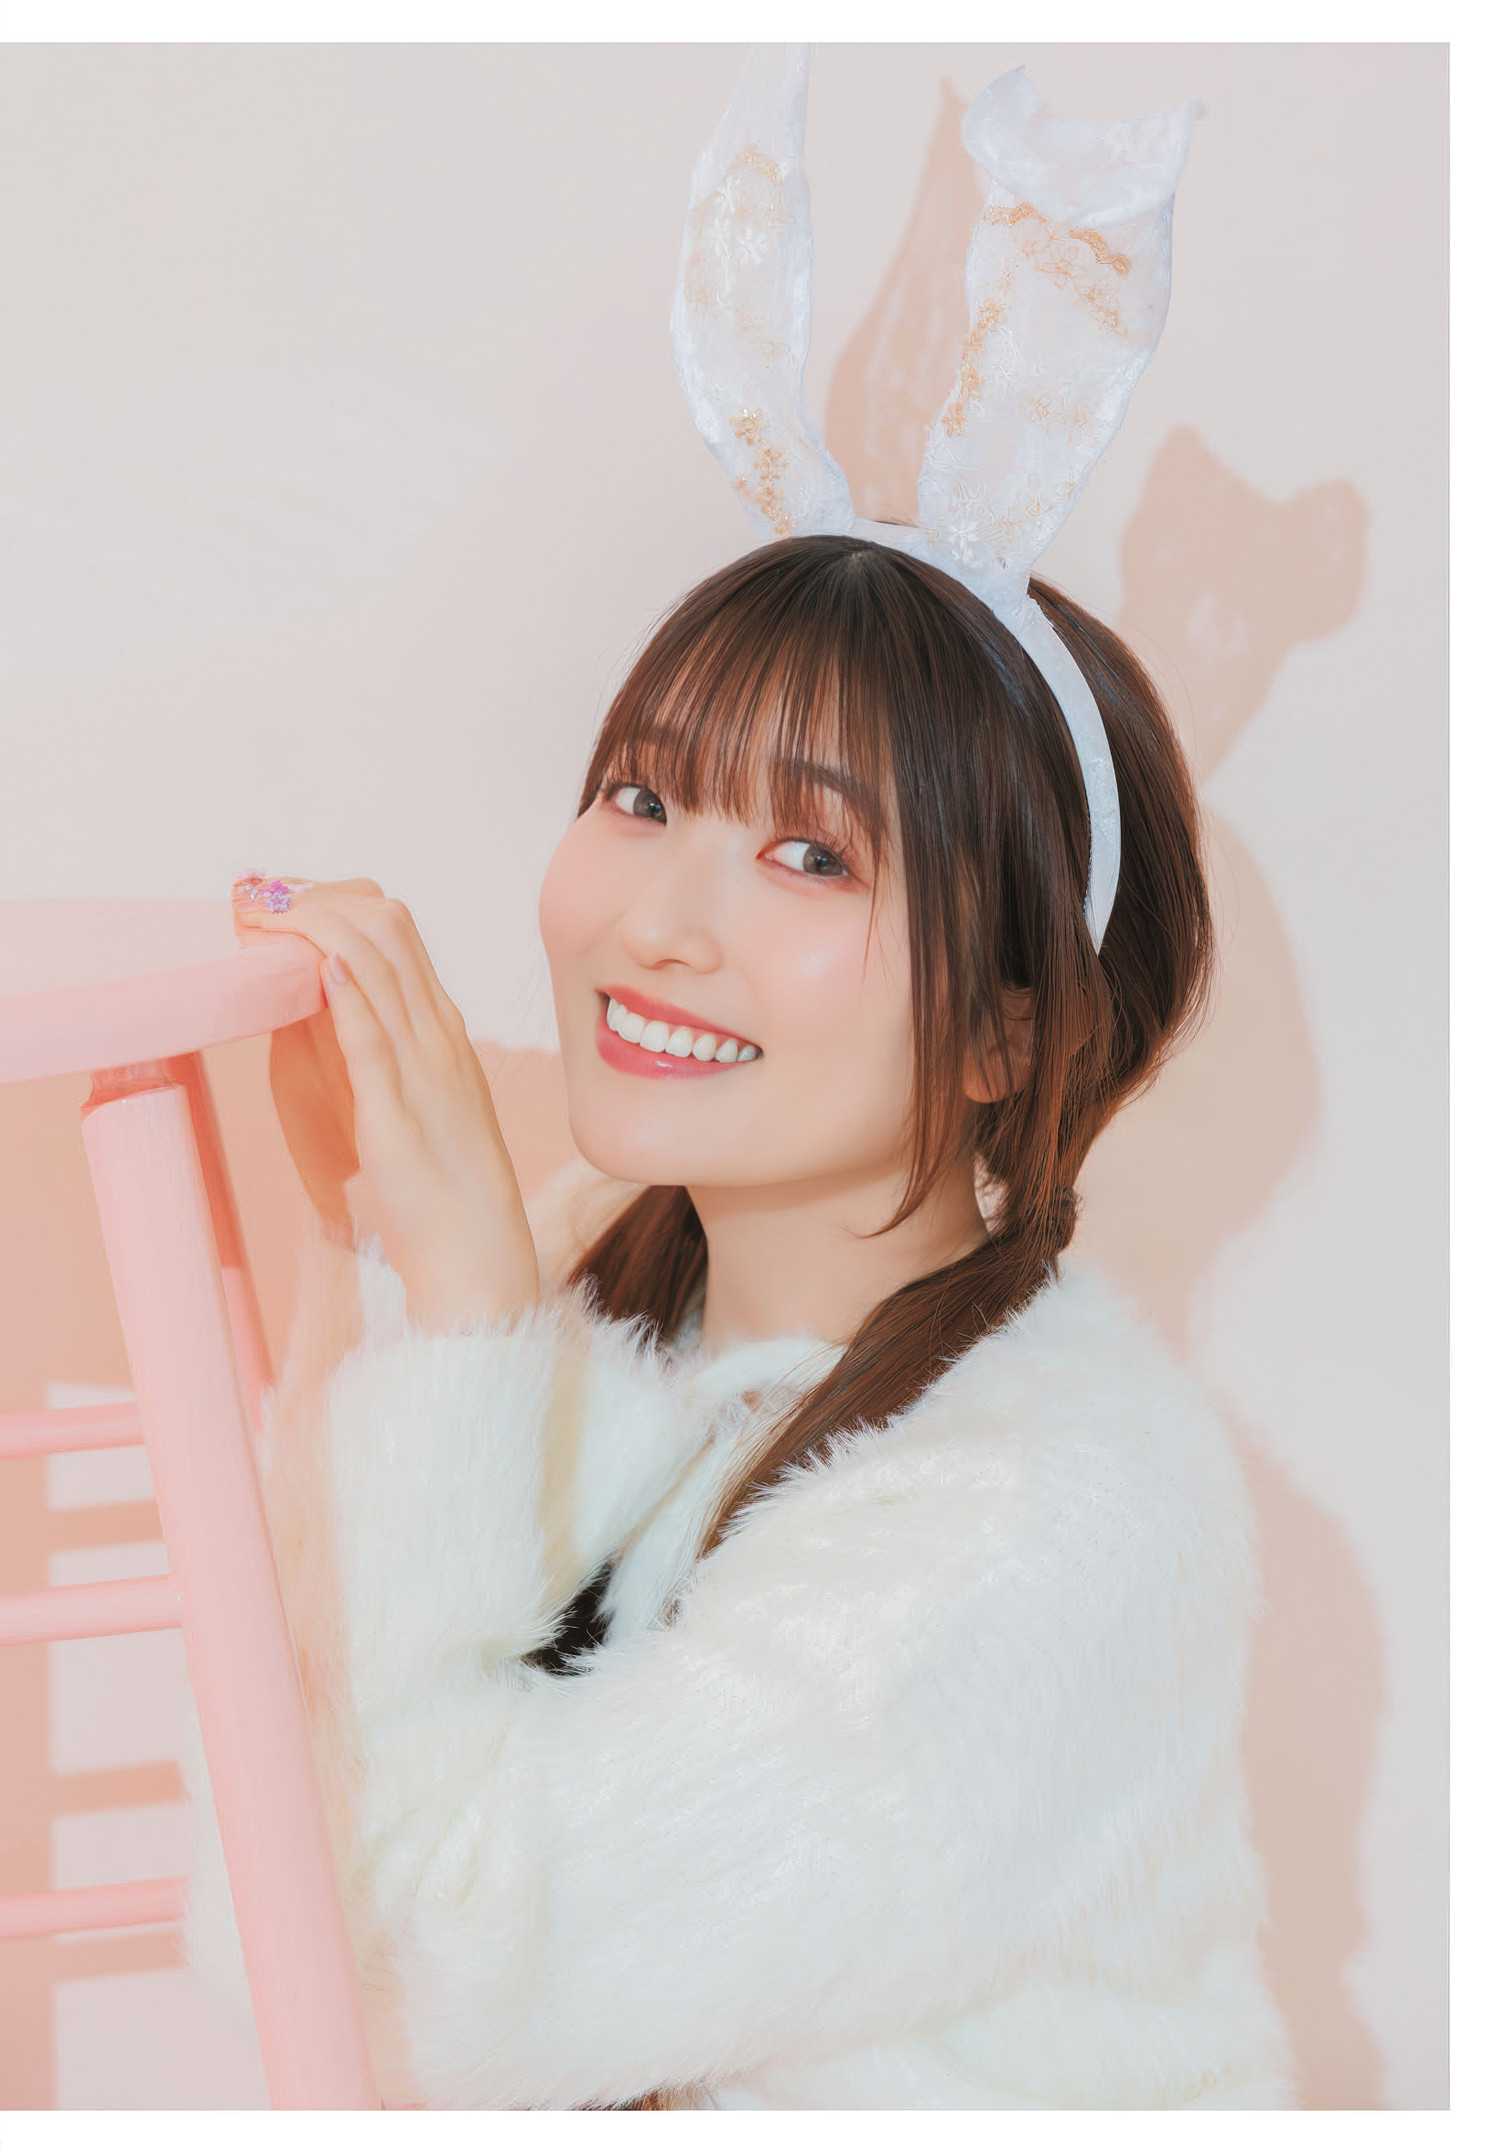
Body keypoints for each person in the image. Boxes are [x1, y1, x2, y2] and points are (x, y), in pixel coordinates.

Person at [179, 47, 1296, 2114]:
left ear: (1010, 1030)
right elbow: (248, 1928)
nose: (658, 921)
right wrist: (385, 1291)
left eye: (812, 855)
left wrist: (456, 1332)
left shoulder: (1043, 1516)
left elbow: (416, 2010)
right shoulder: (608, 1280)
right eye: (641, 796)